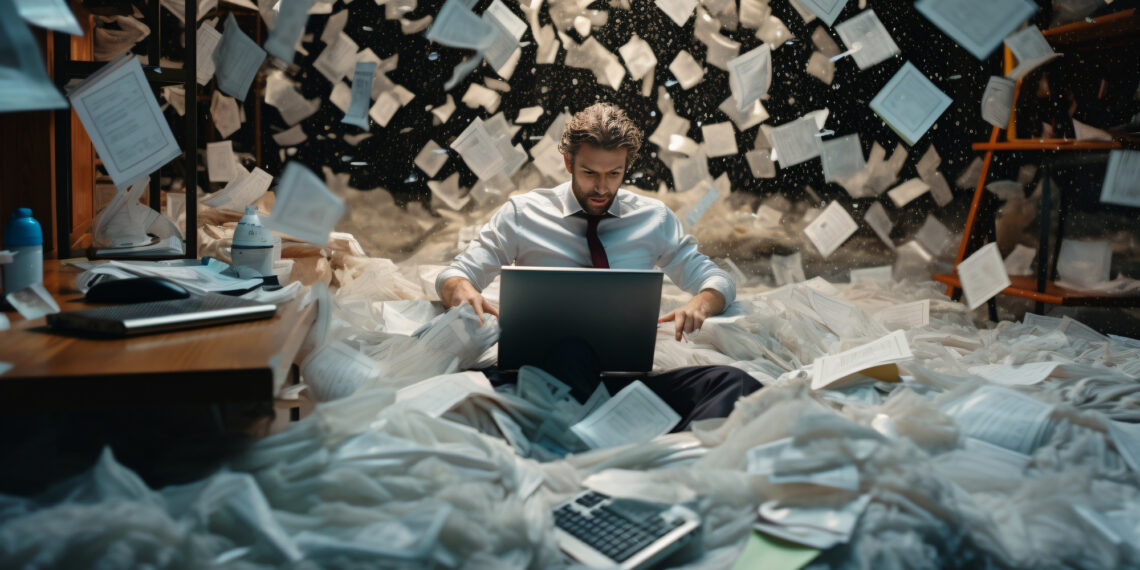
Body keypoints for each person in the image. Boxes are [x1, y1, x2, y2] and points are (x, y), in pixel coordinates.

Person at [436, 102, 760, 430]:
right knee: (569, 356)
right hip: (541, 379)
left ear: (626, 167)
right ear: (568, 162)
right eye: (590, 173)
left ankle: (622, 440)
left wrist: (699, 306)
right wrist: (462, 291)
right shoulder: (522, 214)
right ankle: (595, 436)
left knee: (732, 383)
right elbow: (457, 273)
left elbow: (716, 279)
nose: (602, 188)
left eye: (614, 174)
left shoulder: (654, 218)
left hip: (622, 380)